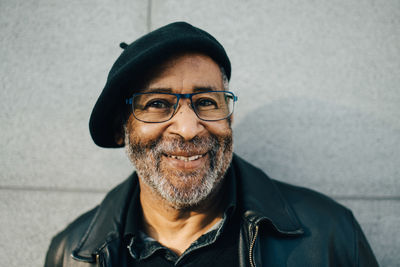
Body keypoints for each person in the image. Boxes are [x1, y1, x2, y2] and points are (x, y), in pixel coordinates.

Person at [45, 22, 378, 267]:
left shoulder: (329, 235)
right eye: (158, 104)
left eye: (206, 101)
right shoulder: (70, 254)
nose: (188, 129)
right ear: (122, 129)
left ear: (228, 118)